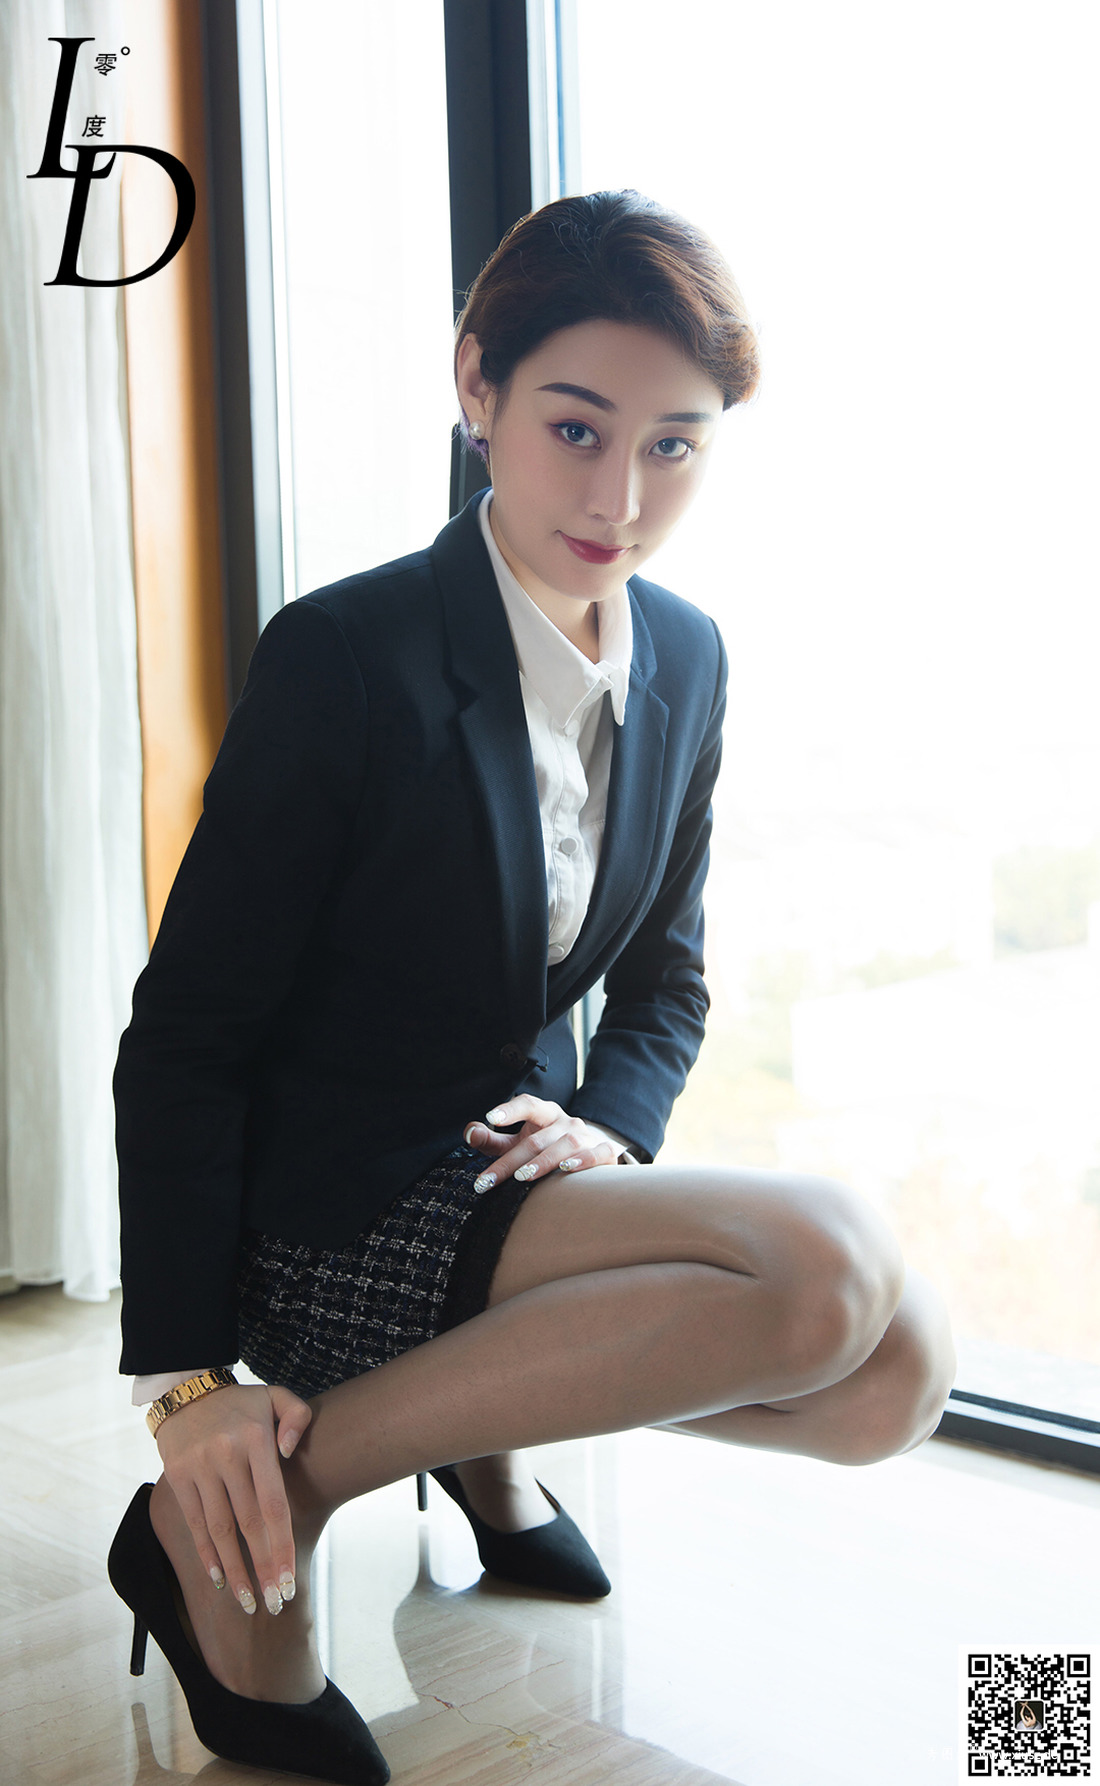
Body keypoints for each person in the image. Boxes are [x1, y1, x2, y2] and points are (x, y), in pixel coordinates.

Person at [109, 189, 955, 1785]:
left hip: (510, 1167)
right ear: (477, 386)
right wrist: (190, 1382)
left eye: (674, 445)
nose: (620, 497)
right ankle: (254, 1493)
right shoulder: (347, 656)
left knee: (896, 1378)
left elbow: (667, 982)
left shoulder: (686, 656)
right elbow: (189, 1037)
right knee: (829, 1260)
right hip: (332, 1205)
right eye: (577, 428)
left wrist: (610, 1128)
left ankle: (360, 1456)